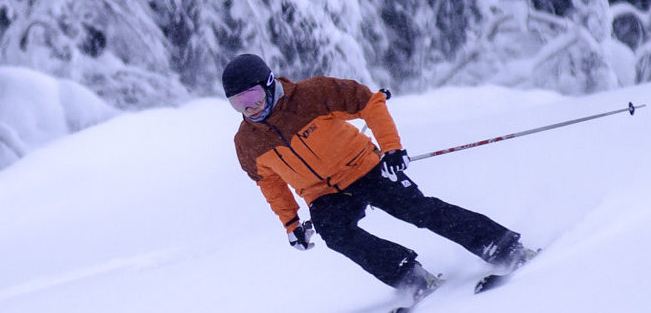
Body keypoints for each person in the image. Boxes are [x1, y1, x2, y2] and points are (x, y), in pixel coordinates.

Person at [222, 53, 534, 299]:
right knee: (334, 233)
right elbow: (270, 184)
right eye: (238, 102)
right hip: (321, 194)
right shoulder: (247, 142)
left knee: (416, 209)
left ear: (268, 83)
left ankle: (503, 246)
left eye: (251, 96)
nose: (249, 108)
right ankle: (408, 275)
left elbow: (371, 103)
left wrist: (392, 149)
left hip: (363, 166)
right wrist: (291, 224)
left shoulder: (312, 94)